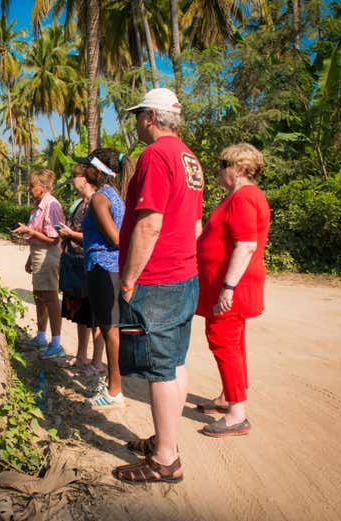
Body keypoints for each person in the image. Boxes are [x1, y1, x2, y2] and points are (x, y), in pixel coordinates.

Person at [114, 88, 204, 484]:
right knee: (175, 360)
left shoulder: (154, 156)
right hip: (184, 272)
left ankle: (166, 459)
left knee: (160, 368)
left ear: (150, 117)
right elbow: (194, 223)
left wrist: (130, 278)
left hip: (159, 276)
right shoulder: (189, 158)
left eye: (138, 116)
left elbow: (150, 223)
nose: (135, 124)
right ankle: (165, 439)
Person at [195, 143, 270, 437]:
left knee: (224, 341)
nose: (217, 171)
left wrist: (227, 287)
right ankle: (228, 396)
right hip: (229, 284)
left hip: (232, 287)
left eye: (222, 165)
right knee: (233, 342)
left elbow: (246, 244)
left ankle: (237, 413)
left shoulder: (243, 199)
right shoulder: (242, 197)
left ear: (238, 169)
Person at [78, 148, 130, 409]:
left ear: (98, 171)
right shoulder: (114, 195)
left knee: (110, 331)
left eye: (87, 166)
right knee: (110, 329)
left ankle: (114, 390)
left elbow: (116, 239)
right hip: (108, 269)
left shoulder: (100, 198)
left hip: (102, 267)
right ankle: (113, 383)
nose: (84, 172)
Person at [56, 166, 105, 376]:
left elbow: (102, 237)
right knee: (80, 315)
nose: (72, 181)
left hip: (90, 265)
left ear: (84, 179)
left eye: (74, 177)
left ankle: (97, 361)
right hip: (74, 264)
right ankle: (81, 355)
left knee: (95, 317)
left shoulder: (98, 202)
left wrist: (70, 234)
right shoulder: (79, 203)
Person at [12, 169, 66, 359]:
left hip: (48, 254)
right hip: (38, 253)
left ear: (43, 187)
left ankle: (57, 343)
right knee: (39, 296)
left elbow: (53, 239)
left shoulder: (52, 205)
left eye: (32, 186)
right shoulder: (38, 205)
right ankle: (42, 336)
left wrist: (29, 231)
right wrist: (30, 258)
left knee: (50, 297)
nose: (29, 189)